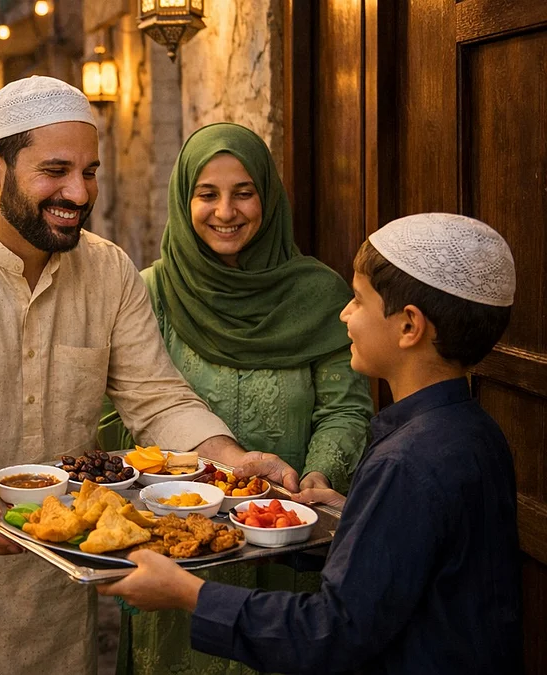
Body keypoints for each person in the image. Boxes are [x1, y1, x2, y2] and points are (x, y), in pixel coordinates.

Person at [0, 76, 299, 675]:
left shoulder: (108, 270)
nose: (79, 193)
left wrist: (231, 460)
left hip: (54, 589)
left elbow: (156, 399)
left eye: (90, 172)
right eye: (55, 171)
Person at [99, 213, 522, 674]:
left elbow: (333, 631)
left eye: (358, 301)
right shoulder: (473, 429)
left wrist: (189, 594)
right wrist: (346, 518)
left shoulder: (407, 463)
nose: (344, 313)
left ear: (409, 327)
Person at [96, 123, 373, 674]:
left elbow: (345, 408)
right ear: (184, 199)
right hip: (179, 543)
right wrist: (190, 480)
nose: (227, 211)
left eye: (244, 192)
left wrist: (318, 477)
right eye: (207, 194)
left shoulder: (320, 296)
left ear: (267, 197)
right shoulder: (151, 293)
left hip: (286, 536)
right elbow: (116, 411)